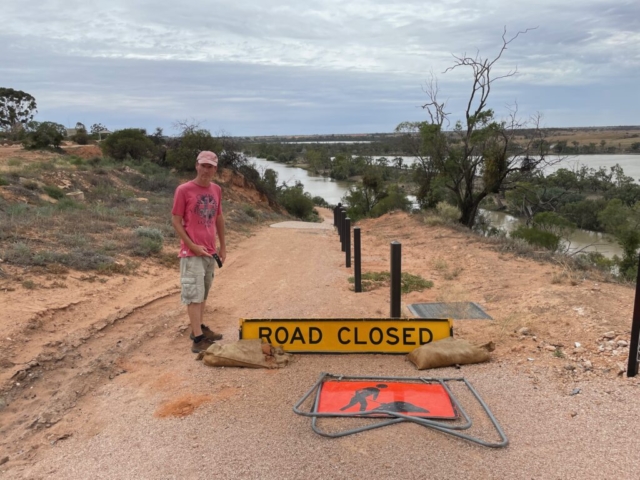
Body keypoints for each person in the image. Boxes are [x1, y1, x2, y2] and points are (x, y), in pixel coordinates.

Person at [171, 151, 227, 353]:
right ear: (196, 166)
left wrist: (223, 245)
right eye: (203, 165)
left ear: (215, 169)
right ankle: (198, 340)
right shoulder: (184, 190)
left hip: (209, 251)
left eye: (210, 166)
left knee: (203, 293)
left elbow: (218, 218)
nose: (206, 170)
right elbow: (176, 221)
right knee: (194, 295)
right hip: (192, 252)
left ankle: (198, 329)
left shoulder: (216, 190)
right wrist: (192, 245)